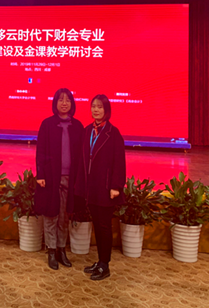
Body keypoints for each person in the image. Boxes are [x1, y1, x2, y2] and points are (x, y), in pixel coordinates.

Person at [74, 94, 126, 281]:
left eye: (100, 107)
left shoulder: (113, 133)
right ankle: (100, 261)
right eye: (93, 106)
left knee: (104, 226)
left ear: (107, 110)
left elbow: (119, 162)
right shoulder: (87, 131)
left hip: (105, 189)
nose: (96, 110)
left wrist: (116, 186)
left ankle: (105, 265)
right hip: (91, 188)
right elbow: (82, 160)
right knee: (97, 225)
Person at [34, 88, 84, 270]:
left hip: (70, 178)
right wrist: (41, 174)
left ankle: (62, 249)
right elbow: (40, 151)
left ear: (72, 103)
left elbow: (81, 155)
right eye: (61, 100)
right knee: (51, 215)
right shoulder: (47, 124)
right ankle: (51, 250)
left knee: (64, 216)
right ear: (55, 103)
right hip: (51, 178)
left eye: (67, 100)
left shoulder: (78, 126)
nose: (64, 103)